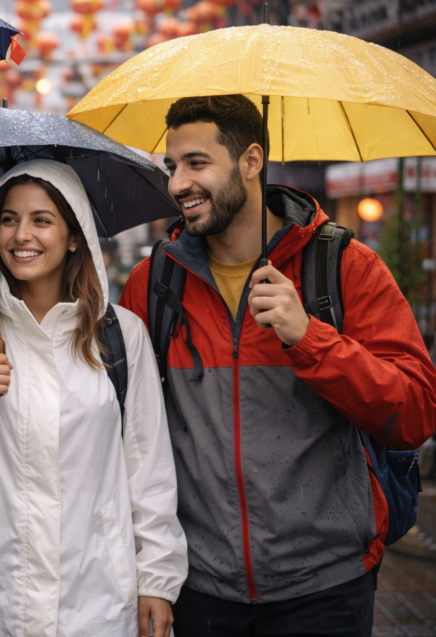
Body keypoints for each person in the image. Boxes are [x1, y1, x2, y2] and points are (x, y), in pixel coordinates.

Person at [119, 95, 436, 635]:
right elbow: (129, 435)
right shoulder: (153, 285)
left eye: (197, 163)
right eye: (172, 167)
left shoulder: (345, 267)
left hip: (326, 590)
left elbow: (415, 411)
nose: (177, 184)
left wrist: (309, 339)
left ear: (251, 161)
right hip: (200, 590)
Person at [0, 160, 188, 637]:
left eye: (42, 220)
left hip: (95, 602)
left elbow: (148, 470)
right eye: (8, 219)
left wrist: (157, 581)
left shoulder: (122, 336)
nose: (22, 235)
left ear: (75, 235)